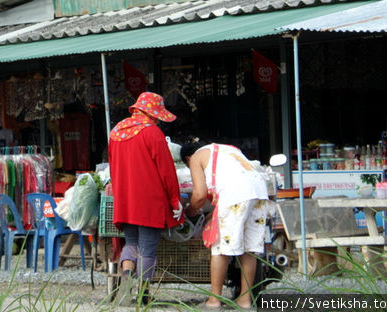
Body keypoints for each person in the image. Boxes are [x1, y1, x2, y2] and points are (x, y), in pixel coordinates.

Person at [108, 92, 182, 302]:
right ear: (152, 113)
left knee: (131, 242)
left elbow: (113, 168)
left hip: (125, 199)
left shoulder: (116, 132)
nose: (158, 119)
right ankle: (144, 293)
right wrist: (174, 198)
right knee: (148, 247)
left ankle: (126, 281)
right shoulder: (152, 132)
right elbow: (167, 171)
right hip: (149, 200)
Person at [181, 139, 270, 310]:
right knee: (249, 248)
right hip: (259, 191)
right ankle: (245, 300)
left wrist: (189, 212)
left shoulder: (196, 158)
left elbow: (199, 195)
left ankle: (214, 301)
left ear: (187, 157)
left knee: (220, 247)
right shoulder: (228, 149)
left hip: (235, 193)